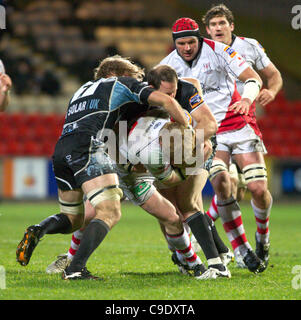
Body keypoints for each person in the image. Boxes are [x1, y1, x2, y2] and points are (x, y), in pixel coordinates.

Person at [16, 55, 190, 280]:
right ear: (116, 74)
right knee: (110, 211)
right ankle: (76, 269)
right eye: (134, 77)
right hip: (89, 146)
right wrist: (186, 128)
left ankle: (38, 229)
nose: (137, 82)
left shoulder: (81, 90)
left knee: (72, 219)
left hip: (61, 149)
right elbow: (166, 101)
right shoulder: (120, 82)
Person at [160, 17, 268, 273]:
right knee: (214, 187)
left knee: (250, 188)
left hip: (232, 124)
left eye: (191, 42)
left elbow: (253, 79)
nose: (187, 48)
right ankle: (236, 251)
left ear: (199, 38)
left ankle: (253, 244)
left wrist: (246, 98)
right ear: (174, 43)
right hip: (200, 135)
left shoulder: (219, 50)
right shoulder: (168, 65)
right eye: (181, 43)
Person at [201, 4, 283, 268]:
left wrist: (271, 90)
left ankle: (263, 238)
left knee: (258, 189)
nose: (217, 29)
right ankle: (239, 248)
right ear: (207, 29)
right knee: (224, 184)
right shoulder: (200, 53)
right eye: (212, 25)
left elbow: (274, 75)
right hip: (214, 130)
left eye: (222, 23)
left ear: (231, 26)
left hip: (243, 125)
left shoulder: (249, 46)